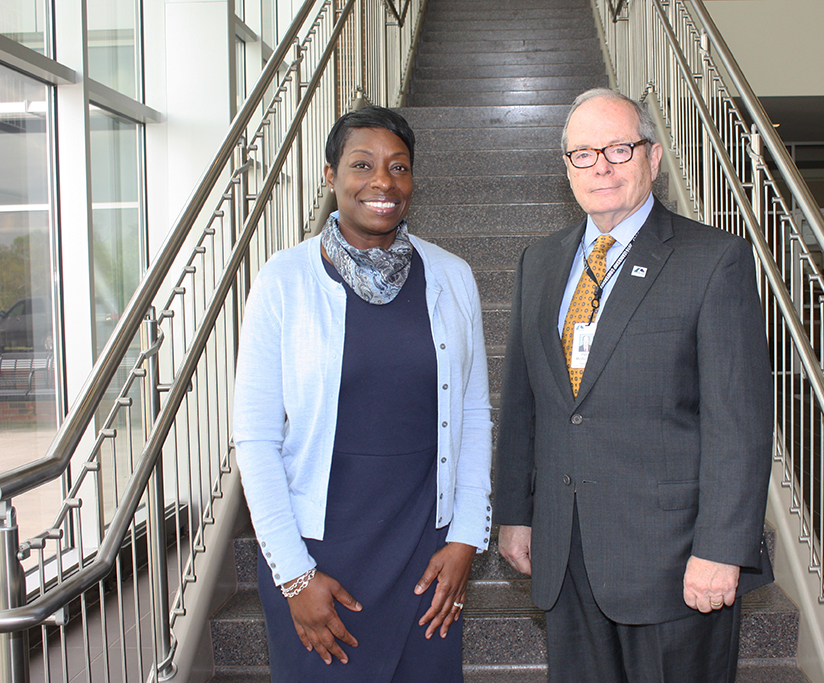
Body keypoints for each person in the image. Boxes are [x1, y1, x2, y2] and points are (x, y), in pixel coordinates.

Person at [494, 88, 774, 683]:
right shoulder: (539, 262)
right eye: (583, 153)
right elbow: (525, 404)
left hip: (676, 562)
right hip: (567, 555)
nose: (601, 166)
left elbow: (739, 422)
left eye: (619, 149)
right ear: (566, 166)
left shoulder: (714, 260)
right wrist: (517, 512)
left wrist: (722, 549)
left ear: (654, 156)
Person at [233, 106, 492, 682]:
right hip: (319, 556)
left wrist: (467, 537)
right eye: (362, 165)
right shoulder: (284, 280)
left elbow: (473, 414)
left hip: (427, 553)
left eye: (399, 167)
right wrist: (295, 576)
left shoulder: (451, 275)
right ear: (330, 176)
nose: (383, 182)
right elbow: (254, 436)